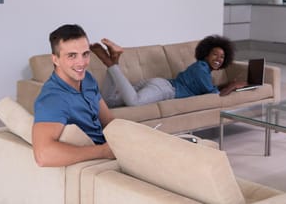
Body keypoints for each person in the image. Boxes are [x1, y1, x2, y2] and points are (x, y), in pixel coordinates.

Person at [32, 24, 115, 167]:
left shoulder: (87, 79)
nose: (81, 63)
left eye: (85, 54)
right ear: (55, 59)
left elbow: (108, 121)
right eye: (72, 56)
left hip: (114, 150)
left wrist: (129, 138)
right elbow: (43, 155)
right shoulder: (52, 99)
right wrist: (103, 151)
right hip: (100, 160)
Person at [90, 35, 247, 107]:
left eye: (222, 56)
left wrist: (230, 83)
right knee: (134, 102)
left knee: (108, 102)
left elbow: (208, 88)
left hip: (157, 83)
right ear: (206, 54)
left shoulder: (202, 69)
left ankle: (113, 59)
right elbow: (214, 96)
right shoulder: (201, 68)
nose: (219, 59)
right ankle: (109, 62)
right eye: (215, 54)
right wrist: (233, 86)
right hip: (166, 90)